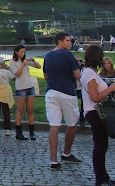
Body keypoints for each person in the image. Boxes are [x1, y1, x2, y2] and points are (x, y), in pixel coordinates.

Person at [43, 32, 82, 170]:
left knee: (54, 126)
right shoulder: (67, 54)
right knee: (71, 124)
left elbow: (45, 75)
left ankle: (54, 161)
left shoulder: (47, 56)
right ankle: (66, 153)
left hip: (51, 92)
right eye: (67, 40)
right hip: (67, 92)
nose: (70, 43)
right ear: (60, 42)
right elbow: (77, 75)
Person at [81, 45, 115, 186]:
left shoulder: (91, 73)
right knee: (100, 146)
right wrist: (111, 88)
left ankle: (103, 177)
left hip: (95, 112)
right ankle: (101, 178)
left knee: (102, 145)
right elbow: (95, 96)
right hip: (95, 112)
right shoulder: (89, 73)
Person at [10, 44, 42, 140]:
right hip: (21, 88)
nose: (23, 54)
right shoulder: (12, 62)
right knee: (20, 110)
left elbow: (38, 67)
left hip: (30, 86)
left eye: (24, 52)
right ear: (16, 52)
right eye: (21, 52)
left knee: (30, 110)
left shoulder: (26, 60)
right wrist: (23, 64)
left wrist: (33, 60)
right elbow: (17, 74)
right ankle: (19, 133)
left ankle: (32, 132)